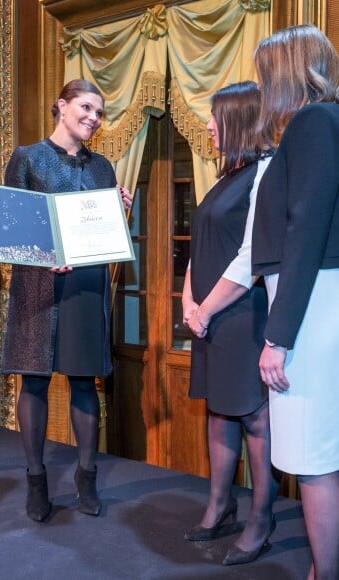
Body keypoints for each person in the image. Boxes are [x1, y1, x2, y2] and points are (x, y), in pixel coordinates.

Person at [1, 79, 132, 522]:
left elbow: (106, 237)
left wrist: (120, 211)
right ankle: (36, 481)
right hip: (38, 287)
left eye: (99, 112)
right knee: (33, 381)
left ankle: (86, 477)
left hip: (85, 287)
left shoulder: (103, 168)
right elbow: (10, 229)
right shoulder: (28, 157)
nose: (94, 118)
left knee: (83, 381)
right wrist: (42, 258)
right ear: (61, 106)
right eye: (86, 108)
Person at [252, 25, 339, 580]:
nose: (263, 86)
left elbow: (304, 230)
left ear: (287, 70)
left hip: (311, 305)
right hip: (320, 297)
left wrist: (277, 337)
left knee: (313, 459)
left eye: (266, 73)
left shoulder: (312, 123)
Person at [182, 81, 279, 566]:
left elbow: (250, 258)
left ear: (239, 119)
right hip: (210, 318)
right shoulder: (227, 174)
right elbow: (200, 249)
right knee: (219, 411)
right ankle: (220, 508)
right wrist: (186, 300)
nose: (208, 125)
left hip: (241, 315)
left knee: (253, 417)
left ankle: (261, 519)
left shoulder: (264, 172)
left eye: (215, 117)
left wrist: (206, 309)